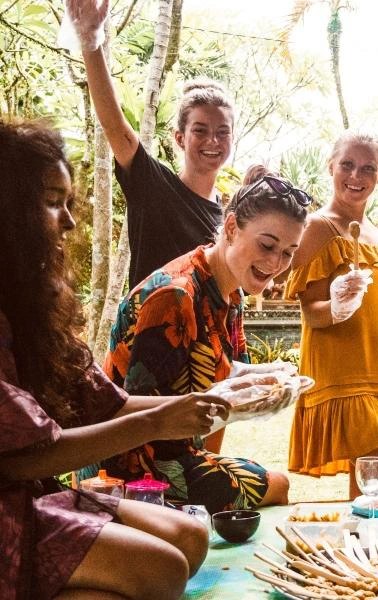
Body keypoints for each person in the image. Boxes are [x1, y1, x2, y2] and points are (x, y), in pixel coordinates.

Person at [0, 118, 235, 599]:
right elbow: (21, 459)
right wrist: (156, 423)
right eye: (51, 203)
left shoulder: (31, 300)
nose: (68, 221)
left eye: (69, 204)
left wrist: (208, 401)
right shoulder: (174, 292)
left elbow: (104, 401)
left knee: (191, 537)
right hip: (11, 503)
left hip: (32, 494)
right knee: (162, 570)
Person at [102, 173, 313, 513]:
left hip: (176, 451)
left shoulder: (231, 292)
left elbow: (228, 375)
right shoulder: (174, 296)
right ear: (231, 228)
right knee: (278, 485)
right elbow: (140, 413)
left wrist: (273, 378)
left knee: (265, 484)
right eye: (267, 245)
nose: (276, 264)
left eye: (289, 252)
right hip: (129, 466)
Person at [285, 130, 378, 499]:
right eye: (347, 165)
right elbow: (311, 313)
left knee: (368, 487)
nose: (356, 177)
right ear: (330, 166)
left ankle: (361, 552)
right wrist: (337, 306)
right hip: (344, 377)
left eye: (368, 169)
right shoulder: (317, 227)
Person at [68, 0, 233, 289]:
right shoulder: (153, 185)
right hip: (150, 333)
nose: (213, 141)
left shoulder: (227, 214)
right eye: (200, 130)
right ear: (179, 137)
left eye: (223, 131)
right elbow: (114, 126)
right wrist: (90, 42)